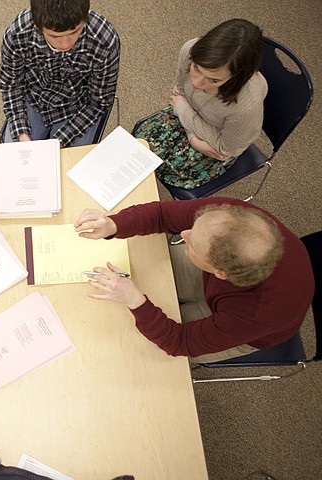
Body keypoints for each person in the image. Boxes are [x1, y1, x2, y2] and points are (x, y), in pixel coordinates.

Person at [73, 197, 314, 363]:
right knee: (144, 273)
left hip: (244, 325)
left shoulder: (257, 314)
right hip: (226, 285)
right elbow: (162, 214)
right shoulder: (229, 218)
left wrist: (136, 301)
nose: (184, 234)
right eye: (194, 228)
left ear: (219, 272)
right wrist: (113, 224)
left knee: (139, 348)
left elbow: (179, 342)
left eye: (192, 244)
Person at [135, 19, 267, 189]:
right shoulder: (190, 50)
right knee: (140, 143)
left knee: (169, 168)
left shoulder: (245, 106)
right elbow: (179, 92)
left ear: (237, 76)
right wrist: (192, 136)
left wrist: (183, 111)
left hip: (218, 143)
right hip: (193, 121)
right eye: (196, 68)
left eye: (213, 79)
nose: (197, 82)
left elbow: (224, 149)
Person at [0, 0, 120, 147]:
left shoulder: (104, 42)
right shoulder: (17, 34)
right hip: (34, 99)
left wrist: (61, 141)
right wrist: (22, 134)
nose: (65, 44)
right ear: (39, 27)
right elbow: (11, 84)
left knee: (71, 165)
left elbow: (99, 101)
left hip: (78, 106)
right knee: (14, 158)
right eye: (55, 36)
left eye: (74, 32)